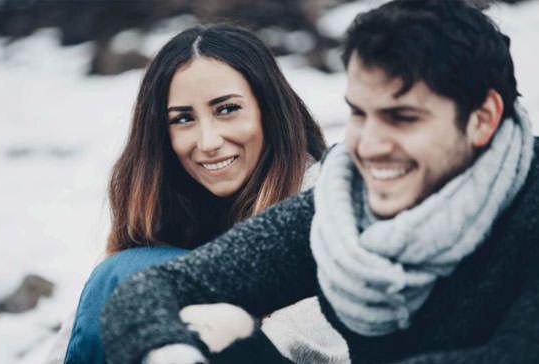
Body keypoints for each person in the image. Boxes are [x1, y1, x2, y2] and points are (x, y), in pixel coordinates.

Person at [99, 1, 539, 363]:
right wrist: (174, 351)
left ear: (482, 120)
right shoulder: (343, 204)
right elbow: (152, 289)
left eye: (402, 118)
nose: (368, 146)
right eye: (359, 114)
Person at [47, 23, 353, 364]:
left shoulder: (321, 199)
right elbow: (83, 336)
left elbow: (316, 348)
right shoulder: (171, 206)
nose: (208, 142)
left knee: (124, 276)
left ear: (269, 109)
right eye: (182, 119)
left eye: (227, 109)